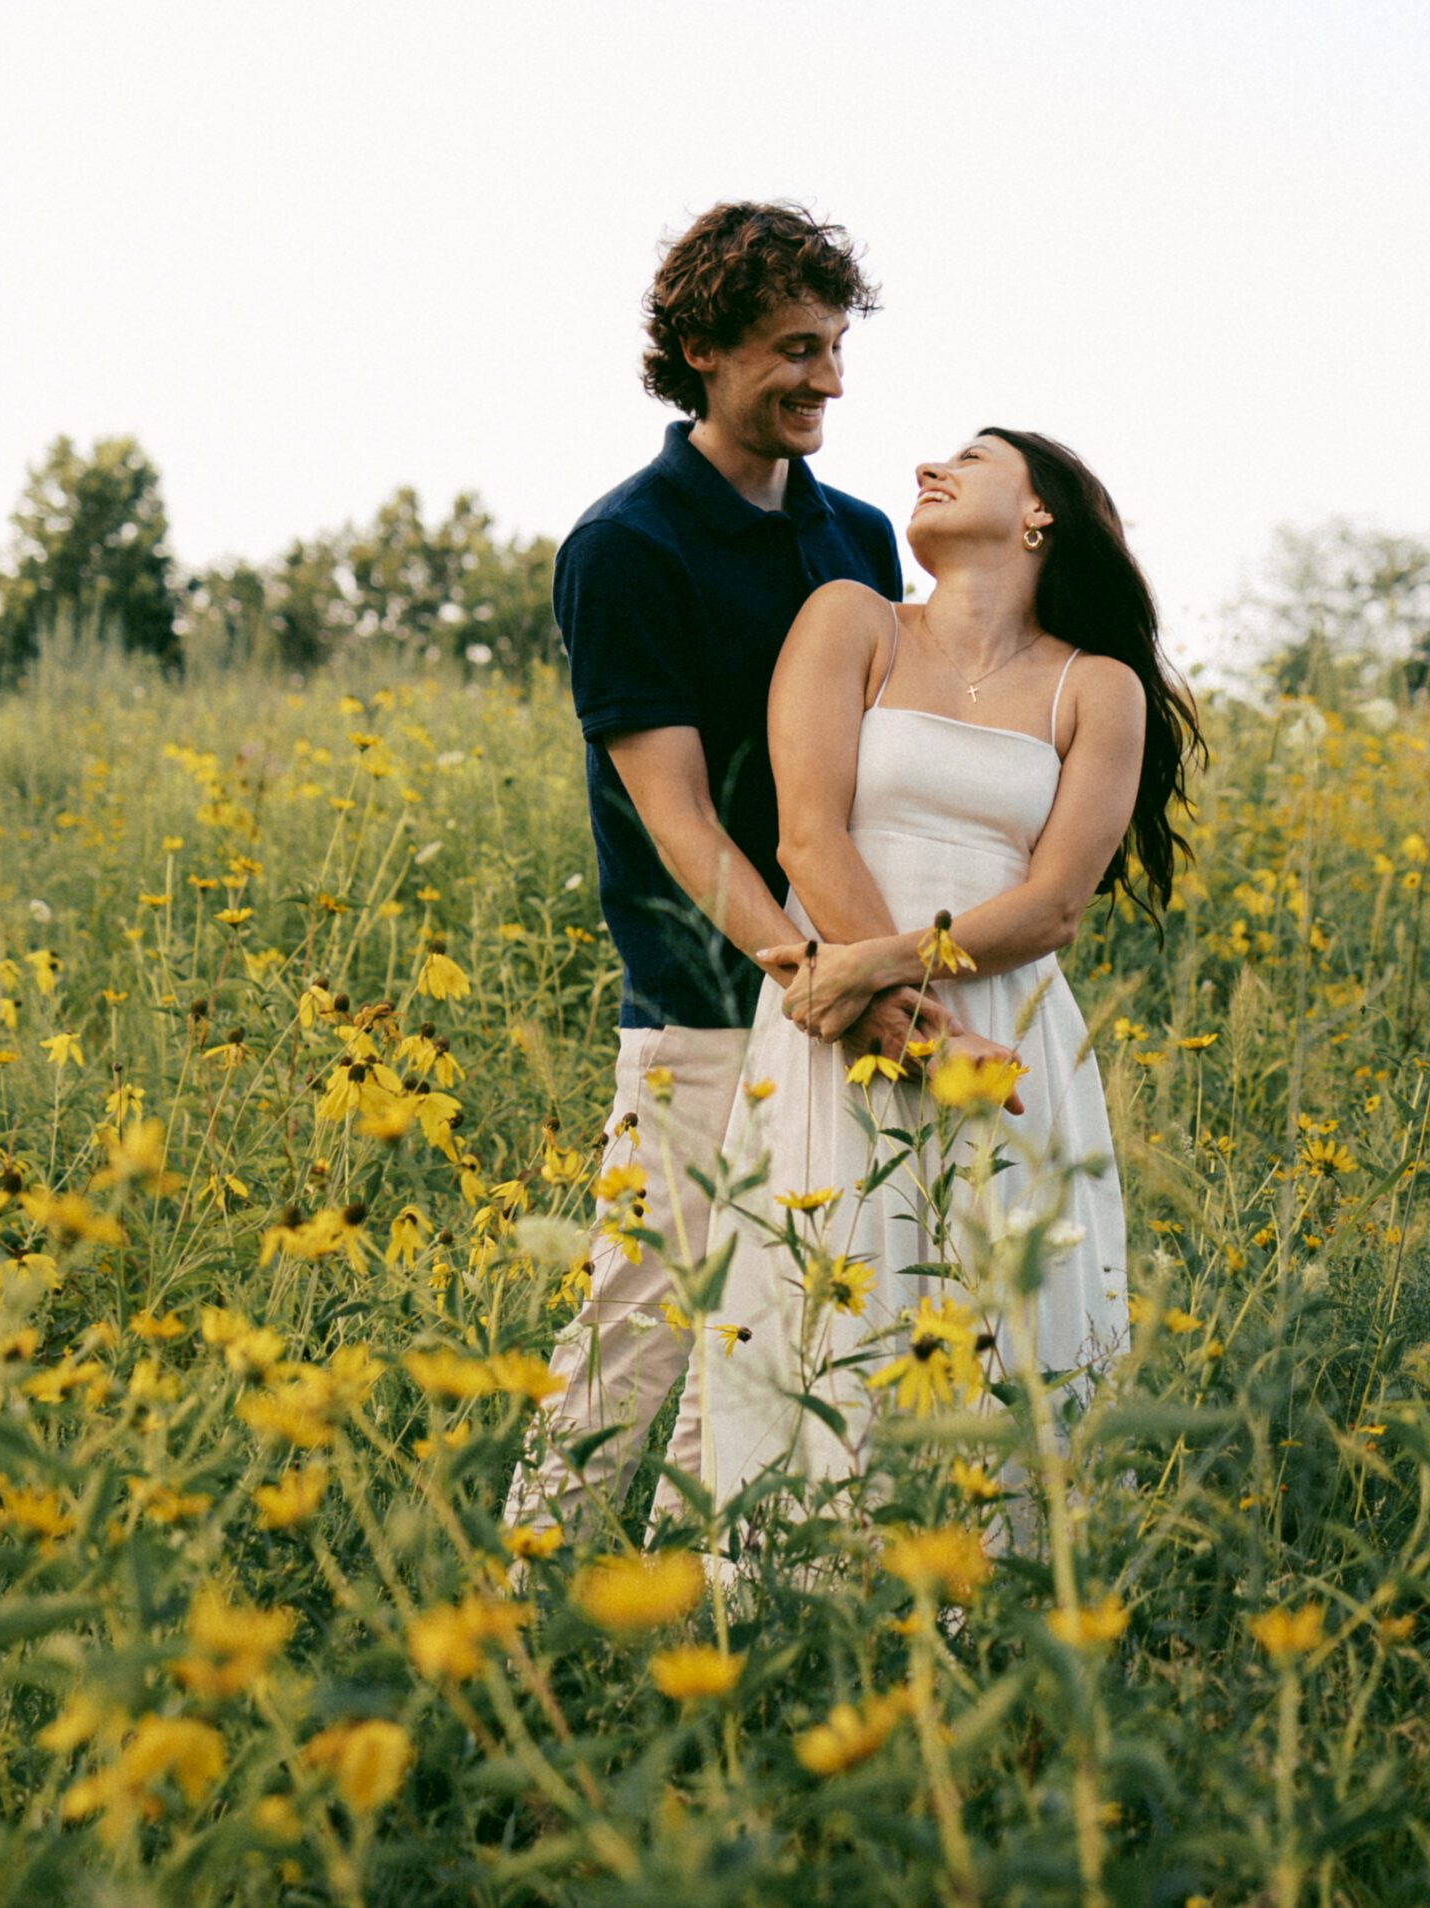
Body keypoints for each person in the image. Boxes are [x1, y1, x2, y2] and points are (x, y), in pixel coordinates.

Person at [506, 203, 1014, 1538]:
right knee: (644, 1316)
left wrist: (882, 961)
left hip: (849, 987)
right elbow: (673, 815)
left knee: (783, 1329)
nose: (828, 381)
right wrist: (811, 970)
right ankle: (526, 1593)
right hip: (705, 999)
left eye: (838, 347)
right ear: (701, 349)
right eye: (796, 348)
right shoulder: (629, 545)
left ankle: (700, 1596)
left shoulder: (853, 533)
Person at [667, 427, 1203, 1518]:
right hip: (842, 1031)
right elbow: (807, 838)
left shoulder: (1098, 689)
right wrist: (911, 1031)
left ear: (1038, 513)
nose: (927, 466)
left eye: (970, 456)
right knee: (824, 1294)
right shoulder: (853, 620)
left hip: (998, 1029)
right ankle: (798, 1591)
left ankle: (1001, 1599)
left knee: (1005, 1307)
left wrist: (888, 975)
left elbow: (1055, 901)